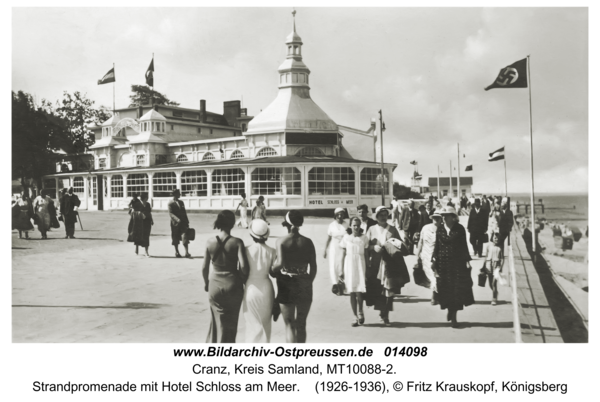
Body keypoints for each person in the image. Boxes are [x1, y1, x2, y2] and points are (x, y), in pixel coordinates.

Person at [202, 210, 249, 343]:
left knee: (216, 320)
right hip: (233, 284)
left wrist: (206, 283)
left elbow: (204, 267)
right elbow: (244, 267)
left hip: (214, 284)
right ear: (233, 223)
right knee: (231, 321)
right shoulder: (237, 242)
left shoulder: (210, 242)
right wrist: (241, 277)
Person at [273, 210, 317, 343]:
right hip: (304, 282)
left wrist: (271, 269)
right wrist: (307, 281)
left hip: (286, 283)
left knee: (290, 326)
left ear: (287, 224)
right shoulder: (308, 242)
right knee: (301, 324)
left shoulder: (282, 241)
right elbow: (313, 268)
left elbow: (279, 264)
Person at [365, 206, 409, 326]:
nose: (383, 217)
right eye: (381, 215)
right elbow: (365, 246)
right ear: (377, 217)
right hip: (376, 264)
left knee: (390, 290)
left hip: (390, 264)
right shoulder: (371, 229)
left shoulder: (393, 229)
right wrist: (373, 247)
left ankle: (386, 315)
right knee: (379, 290)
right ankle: (381, 311)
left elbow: (400, 244)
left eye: (385, 215)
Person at [432, 206, 474, 328]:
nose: (444, 218)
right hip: (442, 264)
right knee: (445, 289)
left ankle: (454, 317)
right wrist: (434, 260)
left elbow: (463, 245)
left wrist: (467, 261)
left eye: (446, 216)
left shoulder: (460, 229)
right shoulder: (440, 229)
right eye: (443, 216)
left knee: (456, 290)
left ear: (453, 217)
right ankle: (449, 309)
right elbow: (437, 246)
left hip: (457, 264)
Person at [243, 219, 276, 342]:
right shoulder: (272, 251)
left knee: (251, 323)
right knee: (265, 324)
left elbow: (243, 270)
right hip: (266, 287)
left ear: (252, 234)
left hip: (251, 287)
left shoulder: (246, 250)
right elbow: (273, 273)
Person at [340, 217, 369, 326]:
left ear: (360, 225)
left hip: (360, 265)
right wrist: (341, 270)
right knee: (352, 291)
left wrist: (368, 269)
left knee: (359, 291)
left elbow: (366, 255)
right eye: (354, 225)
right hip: (349, 265)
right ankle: (354, 316)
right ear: (351, 226)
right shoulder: (346, 238)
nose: (356, 227)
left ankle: (361, 311)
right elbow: (343, 254)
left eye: (358, 225)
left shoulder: (364, 238)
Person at [415, 208, 443, 304]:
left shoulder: (442, 229)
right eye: (435, 217)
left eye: (438, 218)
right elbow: (420, 242)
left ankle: (434, 297)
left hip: (437, 256)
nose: (436, 219)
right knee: (431, 276)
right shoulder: (425, 228)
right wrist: (417, 255)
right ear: (432, 218)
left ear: (441, 219)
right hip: (425, 255)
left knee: (435, 276)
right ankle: (436, 294)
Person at [324, 207, 348, 291]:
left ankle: (341, 285)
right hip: (333, 248)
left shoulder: (346, 224)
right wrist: (325, 250)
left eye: (341, 214)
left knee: (342, 266)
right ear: (335, 215)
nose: (340, 215)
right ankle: (335, 284)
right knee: (333, 266)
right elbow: (328, 238)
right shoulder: (331, 225)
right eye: (338, 214)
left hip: (343, 248)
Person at [483, 232, 504, 305]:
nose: (496, 239)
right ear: (492, 238)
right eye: (495, 238)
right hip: (489, 266)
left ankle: (494, 299)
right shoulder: (488, 246)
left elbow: (502, 259)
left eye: (498, 238)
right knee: (490, 284)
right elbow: (486, 256)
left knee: (494, 283)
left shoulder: (500, 248)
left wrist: (501, 267)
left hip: (496, 266)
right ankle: (495, 292)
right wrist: (483, 266)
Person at [168, 189, 191, 258]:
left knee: (185, 236)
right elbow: (171, 213)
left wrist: (187, 221)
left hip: (183, 223)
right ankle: (177, 252)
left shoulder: (181, 202)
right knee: (175, 237)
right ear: (175, 195)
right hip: (175, 223)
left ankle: (187, 252)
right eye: (178, 193)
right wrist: (177, 219)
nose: (180, 195)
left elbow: (184, 212)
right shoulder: (170, 203)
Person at [140, 192, 153, 257]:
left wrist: (152, 220)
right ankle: (137, 247)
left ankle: (146, 251)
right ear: (143, 198)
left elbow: (149, 213)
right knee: (140, 236)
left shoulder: (148, 204)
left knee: (147, 236)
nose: (147, 198)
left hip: (148, 222)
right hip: (141, 222)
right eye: (146, 197)